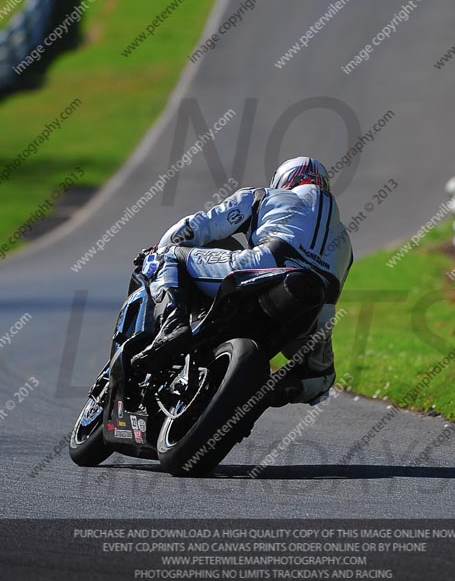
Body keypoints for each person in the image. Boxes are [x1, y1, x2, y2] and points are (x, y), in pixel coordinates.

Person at [131, 157, 353, 405]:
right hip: (314, 310)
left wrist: (160, 246)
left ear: (283, 181)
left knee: (168, 256)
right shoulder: (346, 243)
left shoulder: (263, 196)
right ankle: (268, 394)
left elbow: (199, 227)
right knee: (323, 378)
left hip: (264, 267)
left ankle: (173, 324)